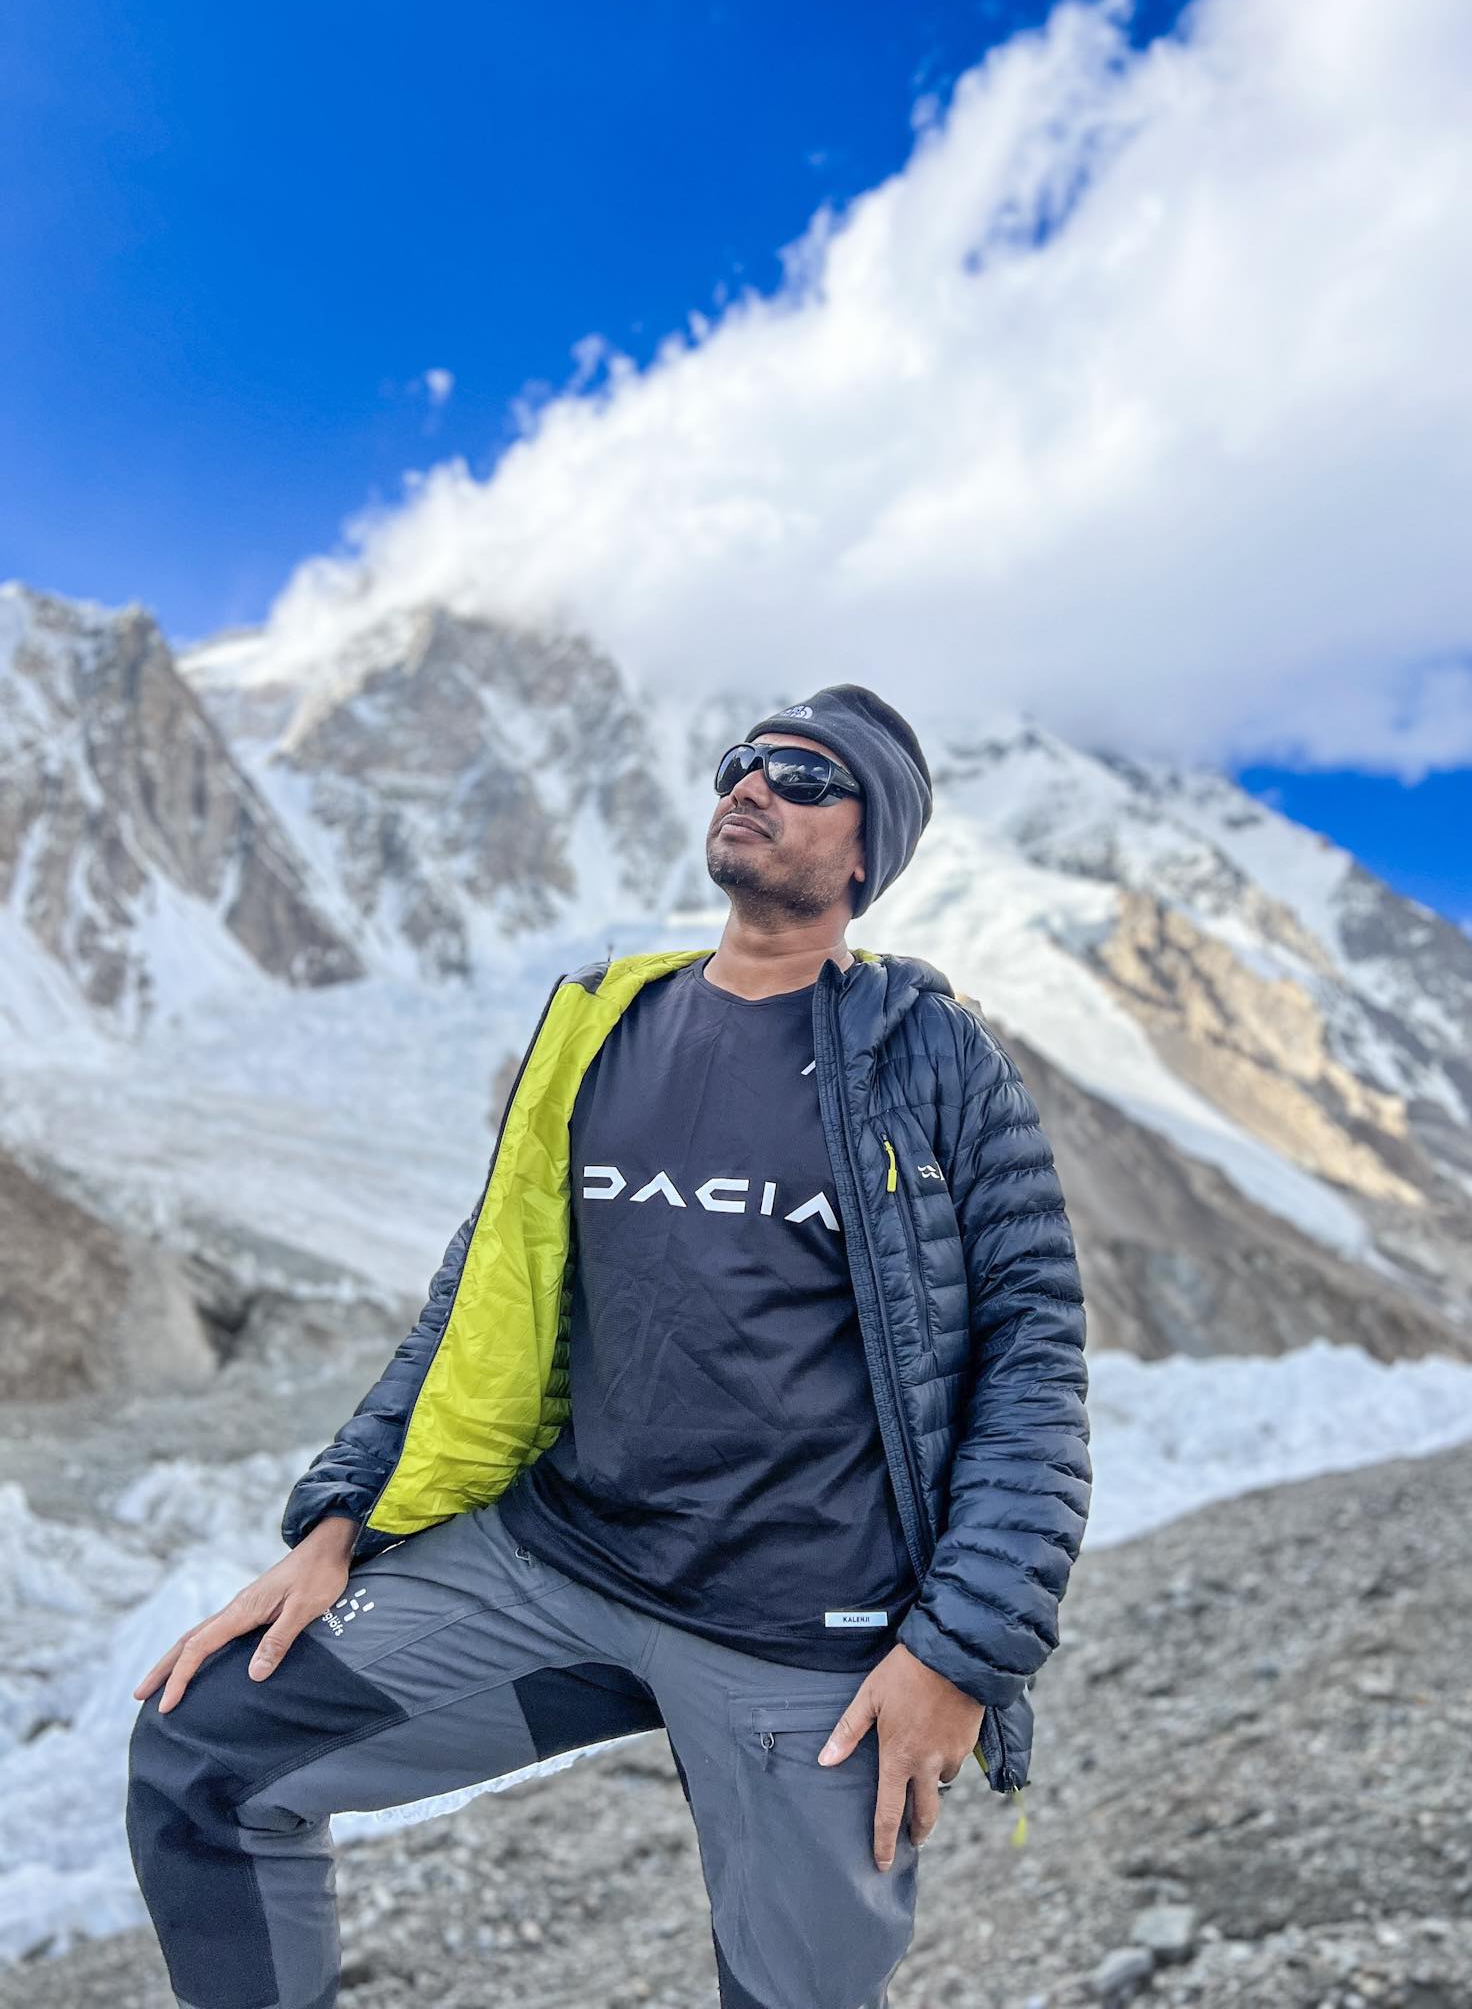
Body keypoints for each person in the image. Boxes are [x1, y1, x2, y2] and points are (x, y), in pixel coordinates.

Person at [126, 681, 1092, 2009]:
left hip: (806, 1635)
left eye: (807, 780)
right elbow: (479, 1301)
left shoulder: (941, 1063)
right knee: (204, 1752)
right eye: (744, 762)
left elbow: (1032, 1362)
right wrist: (337, 1519)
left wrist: (960, 1653)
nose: (754, 786)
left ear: (869, 853)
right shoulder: (602, 1022)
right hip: (558, 1569)